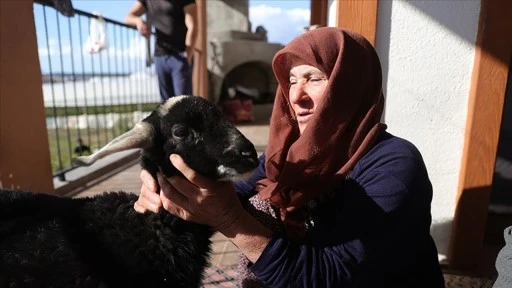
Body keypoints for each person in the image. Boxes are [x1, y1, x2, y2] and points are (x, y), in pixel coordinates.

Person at [134, 27, 445, 287]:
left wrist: (231, 220)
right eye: (292, 81)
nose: (296, 96)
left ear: (349, 85)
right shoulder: (289, 155)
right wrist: (164, 183)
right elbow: (233, 188)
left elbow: (333, 275)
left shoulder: (394, 165)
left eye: (314, 78)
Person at [125, 0, 197, 103]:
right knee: (166, 104)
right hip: (160, 56)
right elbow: (128, 17)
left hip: (180, 56)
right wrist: (139, 22)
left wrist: (187, 55)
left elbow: (193, 26)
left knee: (183, 104)